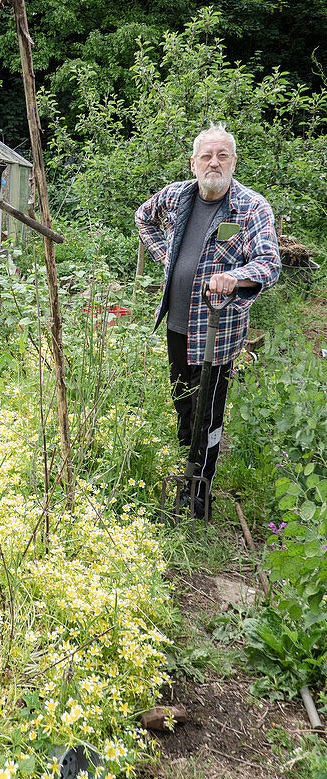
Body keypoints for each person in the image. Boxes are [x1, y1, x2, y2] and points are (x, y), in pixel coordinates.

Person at [135, 124, 281, 517]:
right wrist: (167, 256)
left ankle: (202, 488)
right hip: (178, 325)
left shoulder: (251, 206)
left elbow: (269, 262)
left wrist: (234, 277)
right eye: (206, 156)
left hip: (218, 330)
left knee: (209, 412)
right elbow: (142, 217)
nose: (213, 163)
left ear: (234, 161)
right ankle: (188, 469)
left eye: (222, 156)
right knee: (184, 403)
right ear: (194, 162)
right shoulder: (177, 195)